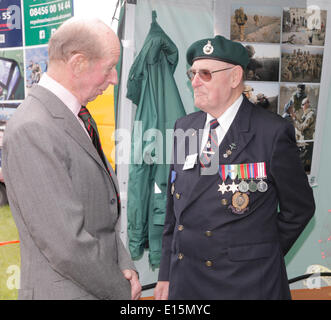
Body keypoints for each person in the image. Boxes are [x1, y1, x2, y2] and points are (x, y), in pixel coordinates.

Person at [154, 35, 315, 300]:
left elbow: (299, 209)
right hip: (187, 281)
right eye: (192, 73)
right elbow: (176, 211)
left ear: (234, 76)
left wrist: (257, 253)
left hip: (245, 283)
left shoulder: (271, 132)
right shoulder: (185, 127)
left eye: (205, 74)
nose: (194, 81)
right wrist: (166, 274)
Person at [2, 18, 141, 300]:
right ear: (77, 63)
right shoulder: (34, 127)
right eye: (109, 67)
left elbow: (103, 214)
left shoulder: (74, 117)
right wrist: (121, 290)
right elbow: (66, 244)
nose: (114, 78)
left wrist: (125, 266)